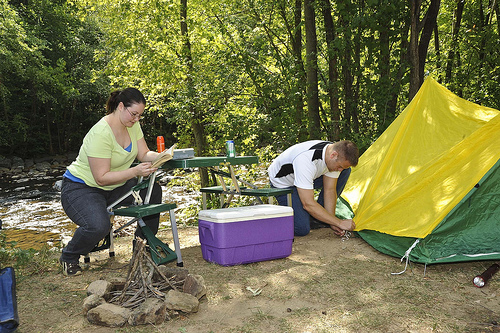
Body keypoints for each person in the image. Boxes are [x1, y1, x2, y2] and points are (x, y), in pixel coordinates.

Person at [59, 88, 163, 276]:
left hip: (115, 187)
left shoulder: (133, 125)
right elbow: (101, 177)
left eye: (140, 115)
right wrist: (134, 171)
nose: (136, 119)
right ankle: (69, 256)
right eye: (134, 114)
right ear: (121, 106)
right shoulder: (101, 133)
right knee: (99, 226)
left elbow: (143, 154)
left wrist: (162, 156)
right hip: (82, 188)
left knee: (152, 191)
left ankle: (141, 250)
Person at [268, 140, 359, 237]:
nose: (340, 169)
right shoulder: (306, 160)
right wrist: (339, 222)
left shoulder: (333, 155)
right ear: (333, 155)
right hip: (284, 185)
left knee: (345, 171)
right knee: (302, 229)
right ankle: (308, 215)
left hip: (307, 177)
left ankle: (319, 218)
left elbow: (330, 190)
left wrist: (333, 222)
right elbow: (308, 204)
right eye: (340, 166)